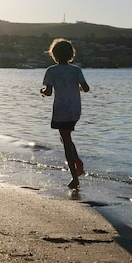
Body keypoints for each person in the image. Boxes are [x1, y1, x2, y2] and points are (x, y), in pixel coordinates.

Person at [40, 38, 90, 189]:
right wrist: (75, 87)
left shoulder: (51, 71)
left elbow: (48, 92)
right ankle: (78, 162)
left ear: (54, 55)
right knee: (66, 138)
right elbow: (86, 88)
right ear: (71, 54)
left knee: (66, 141)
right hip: (75, 109)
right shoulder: (76, 70)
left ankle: (75, 177)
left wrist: (42, 91)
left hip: (61, 109)